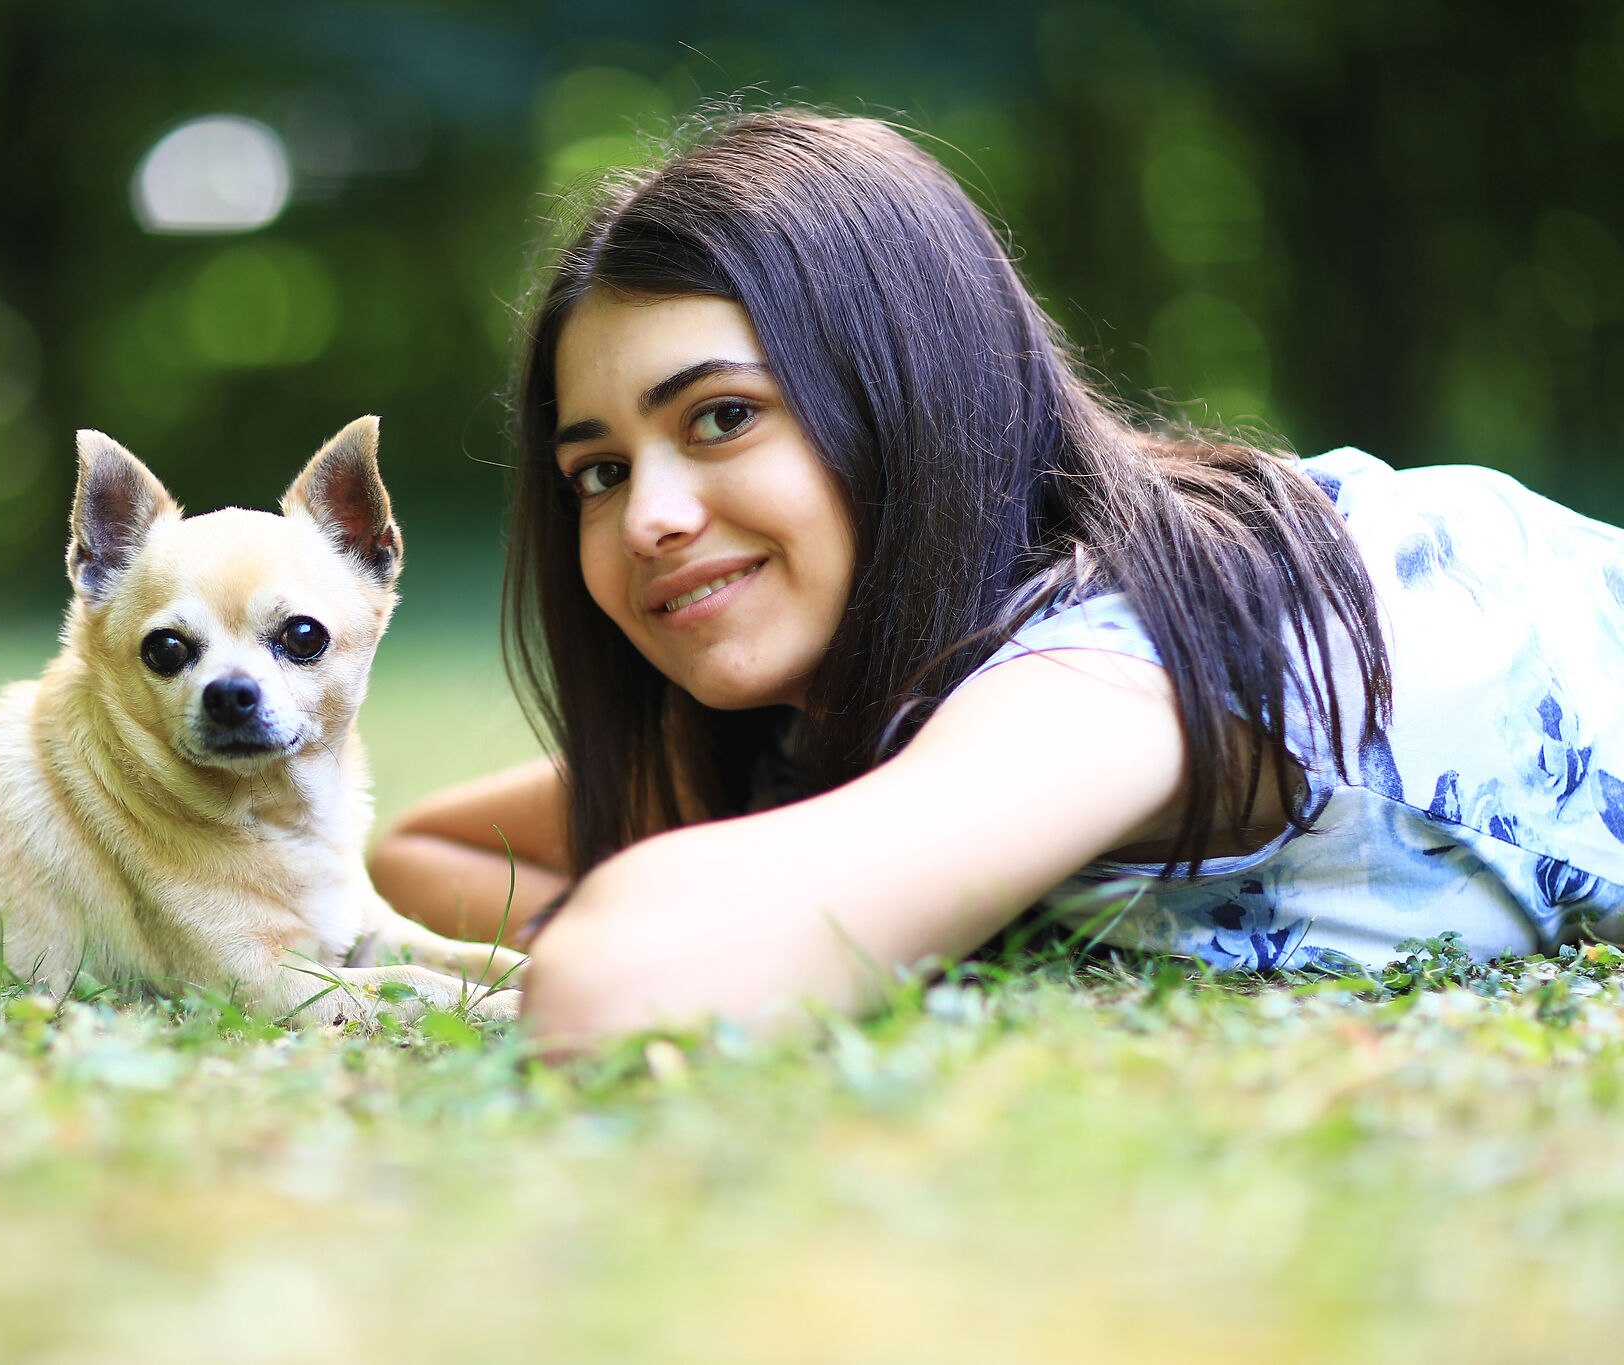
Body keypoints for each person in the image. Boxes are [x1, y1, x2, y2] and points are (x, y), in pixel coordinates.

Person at [366, 108, 1624, 1047]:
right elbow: (425, 849)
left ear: (908, 397)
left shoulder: (1120, 660)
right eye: (596, 472)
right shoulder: (858, 701)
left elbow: (620, 983)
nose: (647, 517)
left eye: (722, 417)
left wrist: (811, 916)